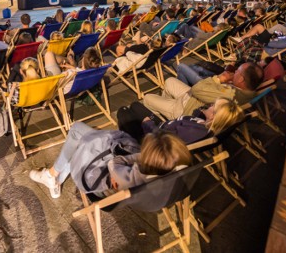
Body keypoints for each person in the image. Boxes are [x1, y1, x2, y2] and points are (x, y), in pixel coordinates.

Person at [29, 124, 192, 198]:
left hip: (101, 183)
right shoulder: (174, 171)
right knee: (82, 139)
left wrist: (138, 156)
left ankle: (52, 175)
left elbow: (114, 163)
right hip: (118, 179)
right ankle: (56, 173)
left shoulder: (133, 175)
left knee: (77, 130)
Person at [142, 63, 263, 120]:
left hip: (186, 109)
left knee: (147, 98)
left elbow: (197, 89)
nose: (235, 71)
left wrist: (220, 79)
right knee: (169, 81)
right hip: (196, 99)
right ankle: (166, 108)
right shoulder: (249, 92)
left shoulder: (230, 95)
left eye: (237, 71)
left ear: (241, 79)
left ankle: (168, 117)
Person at [118, 98, 242, 144]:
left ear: (213, 117)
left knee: (123, 112)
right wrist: (201, 112)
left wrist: (148, 124)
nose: (209, 106)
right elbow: (191, 119)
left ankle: (130, 143)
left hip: (153, 136)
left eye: (212, 106)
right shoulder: (205, 123)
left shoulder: (194, 132)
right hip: (162, 125)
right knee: (135, 105)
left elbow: (164, 140)